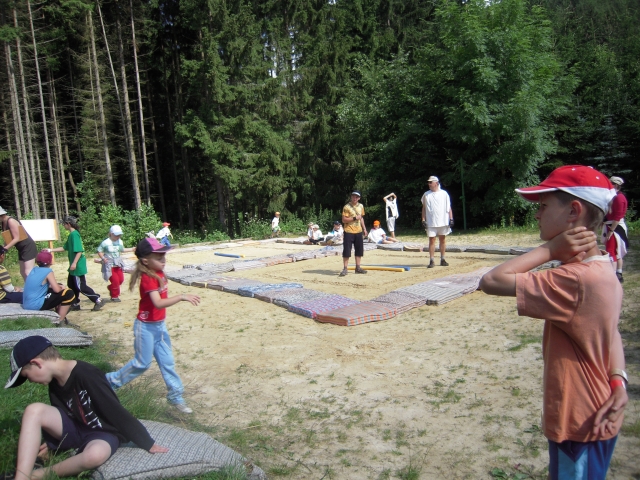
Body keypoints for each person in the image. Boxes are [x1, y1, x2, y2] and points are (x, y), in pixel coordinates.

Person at [479, 165, 627, 480]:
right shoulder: (603, 267)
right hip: (598, 410)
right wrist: (618, 380)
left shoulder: (576, 279)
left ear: (573, 211)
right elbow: (610, 332)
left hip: (578, 422)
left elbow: (491, 281)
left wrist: (549, 250)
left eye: (544, 206)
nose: (537, 214)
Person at [4, 336, 168, 480]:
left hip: (102, 433)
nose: (31, 381)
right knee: (33, 410)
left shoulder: (87, 374)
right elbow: (62, 413)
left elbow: (115, 411)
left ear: (37, 363)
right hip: (76, 428)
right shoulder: (54, 381)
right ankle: (21, 476)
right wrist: (53, 443)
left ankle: (37, 475)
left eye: (27, 376)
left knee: (95, 455)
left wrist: (146, 442)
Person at [105, 238, 200, 414]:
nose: (163, 260)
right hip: (145, 328)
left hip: (159, 327)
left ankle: (175, 396)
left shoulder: (159, 273)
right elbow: (158, 303)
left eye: (164, 256)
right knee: (142, 363)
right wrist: (181, 297)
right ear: (145, 261)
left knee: (167, 362)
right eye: (159, 257)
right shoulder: (148, 278)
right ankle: (110, 382)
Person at [47, 216, 104, 312]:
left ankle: (97, 300)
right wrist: (50, 250)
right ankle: (75, 303)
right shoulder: (71, 235)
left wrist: (74, 263)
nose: (63, 226)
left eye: (64, 224)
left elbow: (79, 251)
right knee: (71, 284)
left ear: (68, 224)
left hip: (77, 265)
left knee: (81, 286)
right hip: (74, 266)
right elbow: (64, 248)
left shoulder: (74, 235)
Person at [22, 251, 75, 325]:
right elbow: (57, 290)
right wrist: (61, 288)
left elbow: (42, 285)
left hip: (27, 304)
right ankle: (60, 321)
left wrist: (58, 285)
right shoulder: (48, 271)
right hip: (36, 305)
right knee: (68, 293)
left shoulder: (34, 270)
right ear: (50, 262)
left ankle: (61, 317)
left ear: (37, 262)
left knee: (57, 287)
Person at [421, 176, 453, 268]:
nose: (429, 184)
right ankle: (432, 260)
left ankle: (443, 259)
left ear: (436, 183)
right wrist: (423, 219)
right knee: (432, 240)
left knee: (442, 239)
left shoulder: (444, 194)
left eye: (430, 182)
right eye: (428, 182)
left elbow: (448, 207)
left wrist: (451, 219)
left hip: (443, 220)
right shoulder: (426, 195)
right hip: (431, 221)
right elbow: (424, 208)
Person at [0, 206, 38, 281]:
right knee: (23, 272)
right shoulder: (3, 223)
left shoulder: (11, 221)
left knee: (28, 272)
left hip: (27, 246)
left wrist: (5, 249)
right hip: (21, 248)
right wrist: (2, 248)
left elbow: (17, 238)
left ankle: (36, 286)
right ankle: (28, 286)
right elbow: (8, 238)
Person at [97, 225, 133, 302]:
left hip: (118, 263)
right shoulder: (105, 242)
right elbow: (99, 250)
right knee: (115, 281)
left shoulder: (120, 241)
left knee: (121, 280)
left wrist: (132, 249)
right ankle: (114, 296)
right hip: (110, 265)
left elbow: (122, 250)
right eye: (116, 235)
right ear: (111, 234)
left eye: (119, 235)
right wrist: (103, 258)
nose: (118, 236)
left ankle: (111, 288)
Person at [603, 176, 628, 283]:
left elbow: (617, 216)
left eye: (611, 183)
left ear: (616, 185)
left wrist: (611, 231)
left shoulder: (619, 198)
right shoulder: (614, 197)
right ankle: (618, 273)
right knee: (616, 252)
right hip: (612, 225)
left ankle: (613, 275)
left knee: (611, 251)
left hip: (615, 227)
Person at [340, 191, 368, 276]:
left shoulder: (361, 206)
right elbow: (344, 220)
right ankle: (345, 268)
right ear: (351, 197)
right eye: (353, 196)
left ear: (359, 198)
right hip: (348, 231)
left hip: (358, 231)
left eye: (356, 197)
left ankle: (358, 268)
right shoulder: (346, 207)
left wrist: (364, 228)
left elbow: (361, 218)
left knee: (359, 250)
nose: (354, 198)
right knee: (347, 250)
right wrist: (355, 218)